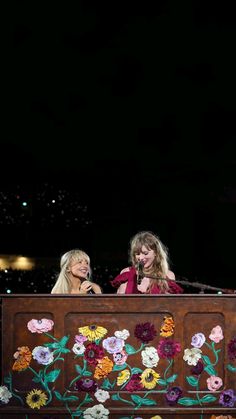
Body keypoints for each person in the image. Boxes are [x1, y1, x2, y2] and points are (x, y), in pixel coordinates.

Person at [111, 231, 183, 294]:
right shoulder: (127, 274)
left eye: (145, 253)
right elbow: (119, 303)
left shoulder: (167, 276)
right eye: (137, 254)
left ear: (156, 253)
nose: (141, 258)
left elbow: (170, 305)